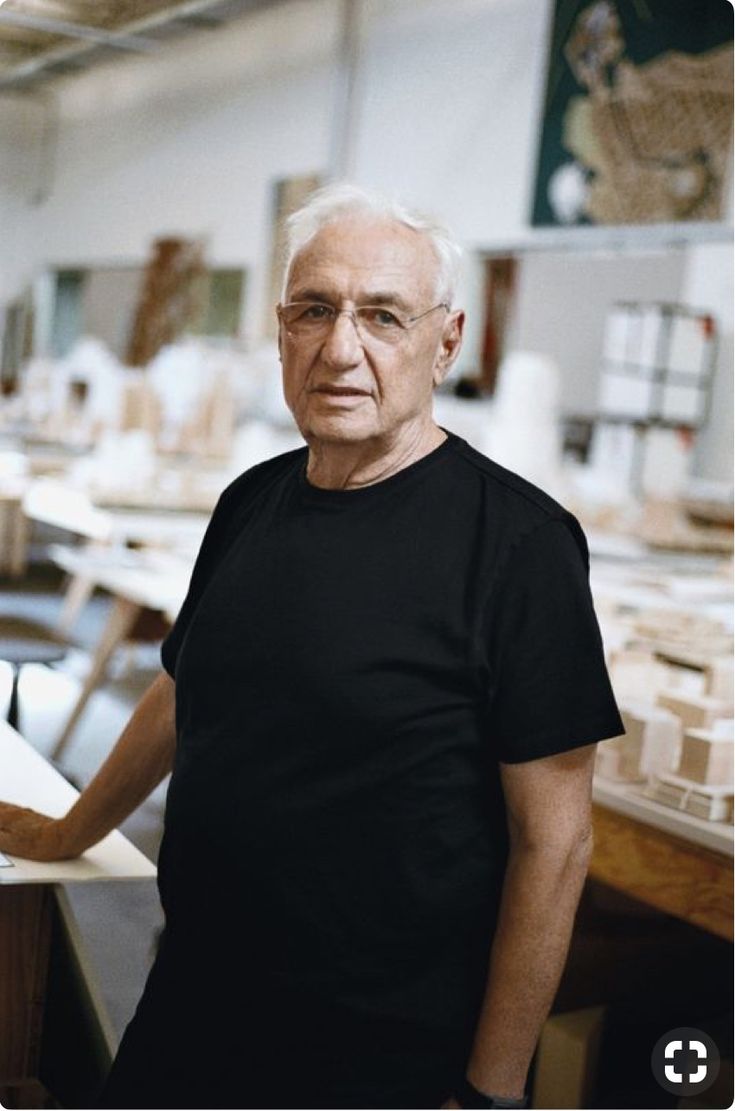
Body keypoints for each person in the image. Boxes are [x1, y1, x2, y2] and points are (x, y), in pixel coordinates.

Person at [0, 184, 623, 1110]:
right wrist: (68, 830)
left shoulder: (519, 546)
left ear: (444, 342)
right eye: (314, 310)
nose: (341, 348)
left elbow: (555, 842)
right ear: (281, 331)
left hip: (378, 1057)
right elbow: (183, 691)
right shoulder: (250, 502)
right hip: (191, 1001)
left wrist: (488, 1093)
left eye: (382, 316)